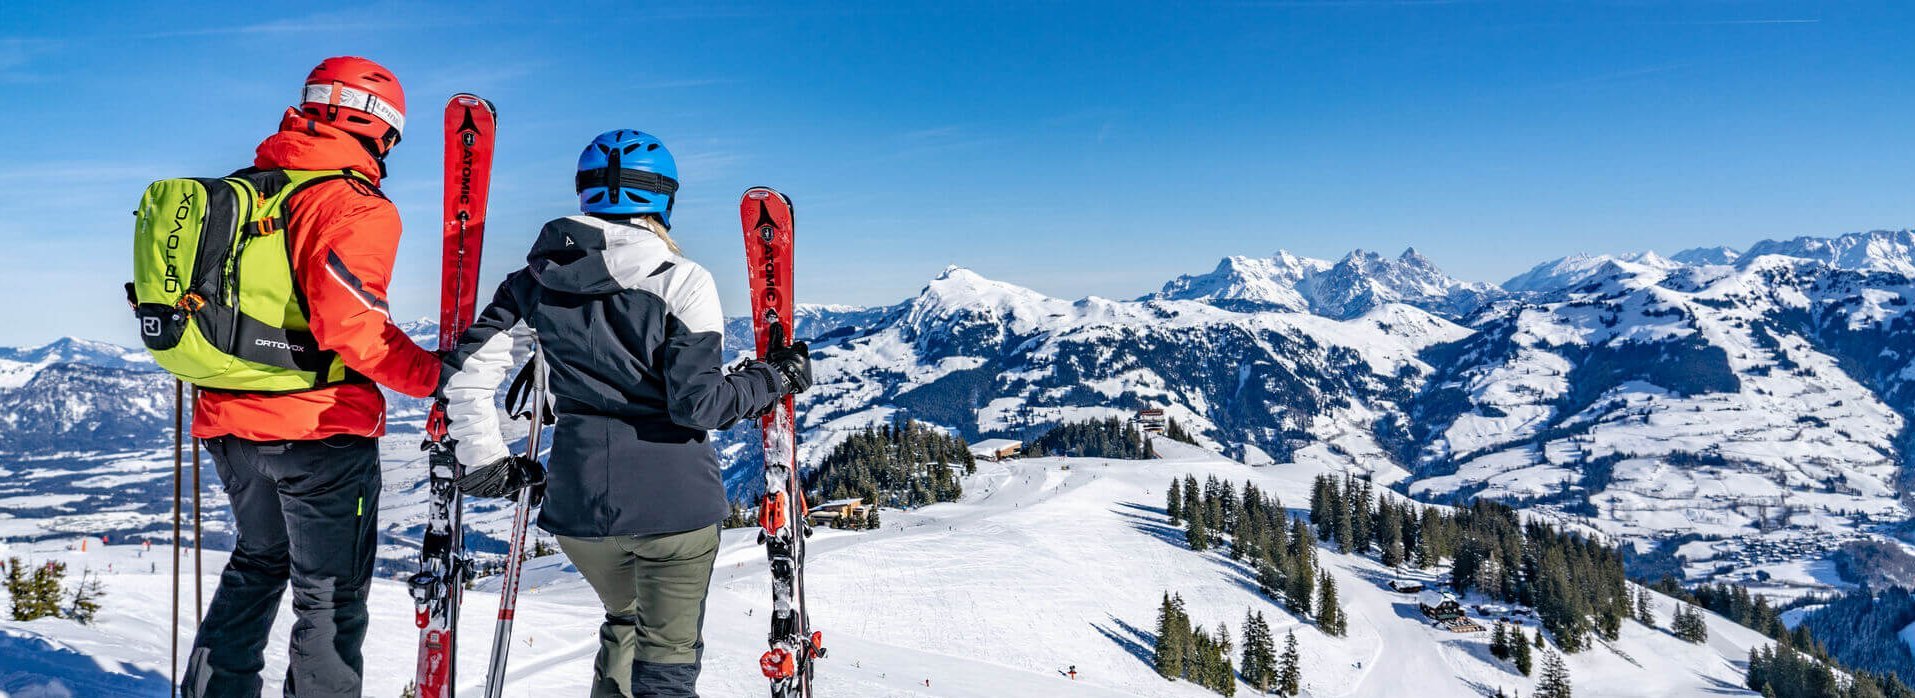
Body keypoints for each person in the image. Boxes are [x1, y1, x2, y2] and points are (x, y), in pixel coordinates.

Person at [442, 129, 811, 698]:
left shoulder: (533, 282)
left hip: (580, 510)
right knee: (666, 661)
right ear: (664, 199)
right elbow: (699, 405)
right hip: (674, 509)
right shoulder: (680, 280)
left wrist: (487, 460)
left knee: (624, 622)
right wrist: (774, 378)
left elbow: (467, 372)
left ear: (586, 193)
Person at [181, 57, 439, 697]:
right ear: (378, 126)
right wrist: (438, 376)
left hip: (230, 425)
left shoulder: (246, 190)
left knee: (257, 562)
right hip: (319, 432)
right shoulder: (353, 205)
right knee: (327, 598)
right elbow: (352, 328)